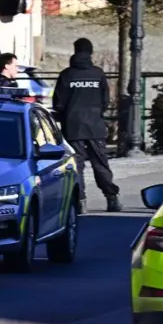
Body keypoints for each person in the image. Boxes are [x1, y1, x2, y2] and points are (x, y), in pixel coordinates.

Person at [52, 38, 120, 213]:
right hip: (95, 127)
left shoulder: (67, 75)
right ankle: (111, 198)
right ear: (91, 52)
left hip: (73, 127)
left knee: (77, 166)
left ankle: (80, 201)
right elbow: (105, 101)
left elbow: (58, 103)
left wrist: (66, 116)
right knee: (101, 163)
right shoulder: (98, 74)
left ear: (75, 51)